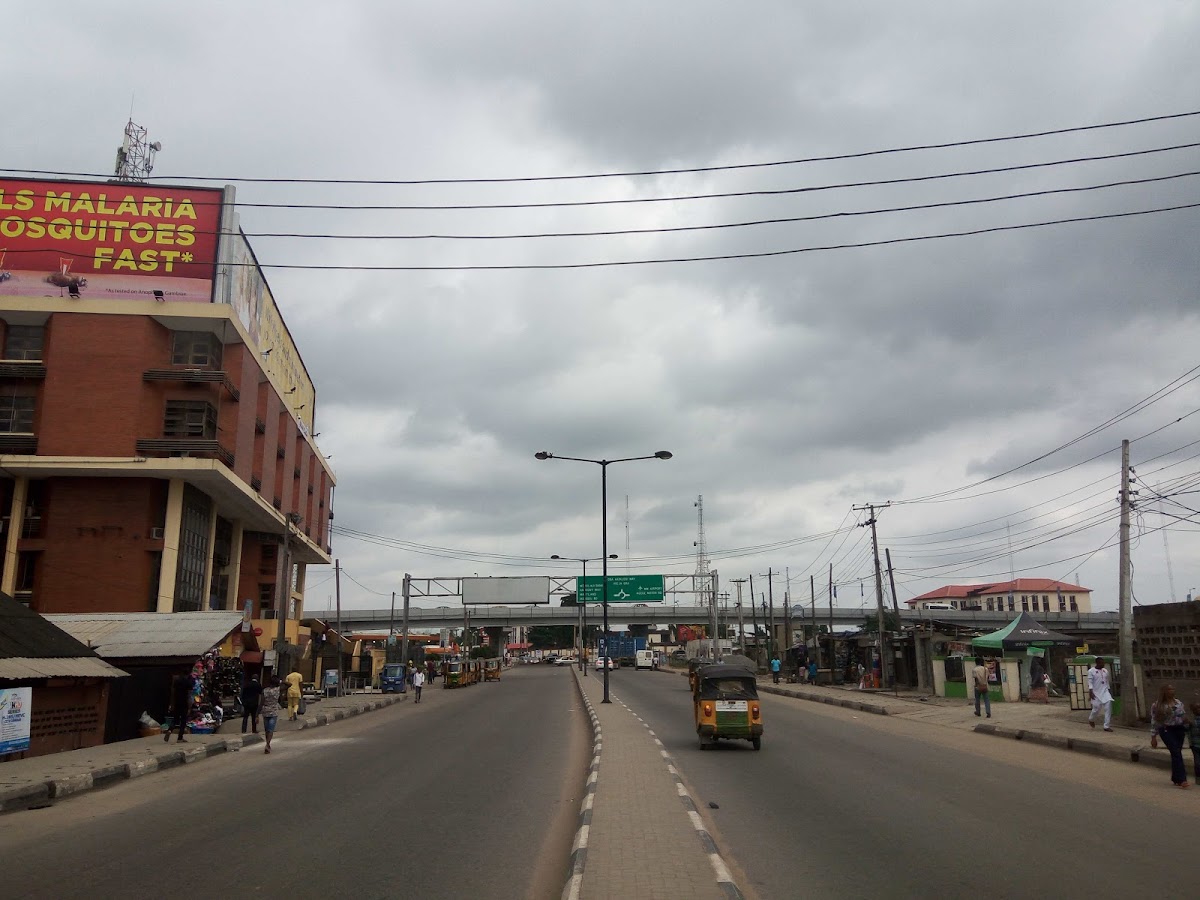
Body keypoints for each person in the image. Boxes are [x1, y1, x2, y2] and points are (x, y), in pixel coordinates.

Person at [1149, 684, 1189, 788]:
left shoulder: (1178, 703)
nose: (1172, 691)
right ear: (1164, 691)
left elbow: (1183, 716)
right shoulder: (1157, 705)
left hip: (1179, 729)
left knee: (1176, 753)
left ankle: (1176, 777)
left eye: (1173, 689)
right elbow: (1154, 721)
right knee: (1176, 752)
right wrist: (1153, 737)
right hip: (1166, 730)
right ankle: (1182, 779)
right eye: (1169, 689)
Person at [1087, 657, 1114, 731]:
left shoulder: (1105, 671)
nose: (1103, 664)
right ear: (1097, 663)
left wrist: (1109, 691)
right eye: (1102, 663)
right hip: (1096, 692)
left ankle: (1106, 726)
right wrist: (1091, 691)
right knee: (1096, 708)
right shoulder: (1091, 671)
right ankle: (1091, 719)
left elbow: (1106, 682)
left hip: (1105, 691)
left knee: (1108, 706)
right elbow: (1090, 682)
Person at [165, 672, 194, 742]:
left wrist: (172, 704)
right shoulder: (188, 683)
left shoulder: (177, 681)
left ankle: (169, 730)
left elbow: (172, 693)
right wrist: (189, 707)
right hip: (184, 703)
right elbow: (189, 696)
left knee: (176, 719)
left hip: (177, 703)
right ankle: (180, 738)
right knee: (183, 721)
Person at [261, 675, 282, 755]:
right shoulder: (278, 689)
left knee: (267, 729)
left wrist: (256, 714)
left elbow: (261, 702)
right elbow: (289, 684)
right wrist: (281, 681)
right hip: (273, 711)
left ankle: (267, 744)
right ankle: (268, 744)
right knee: (270, 729)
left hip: (265, 711)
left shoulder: (265, 690)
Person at [1188, 700, 1200, 785]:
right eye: (1196, 708)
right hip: (1195, 745)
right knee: (1197, 763)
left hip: (1195, 744)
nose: (1198, 710)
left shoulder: (1192, 721)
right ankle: (1198, 778)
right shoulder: (1191, 721)